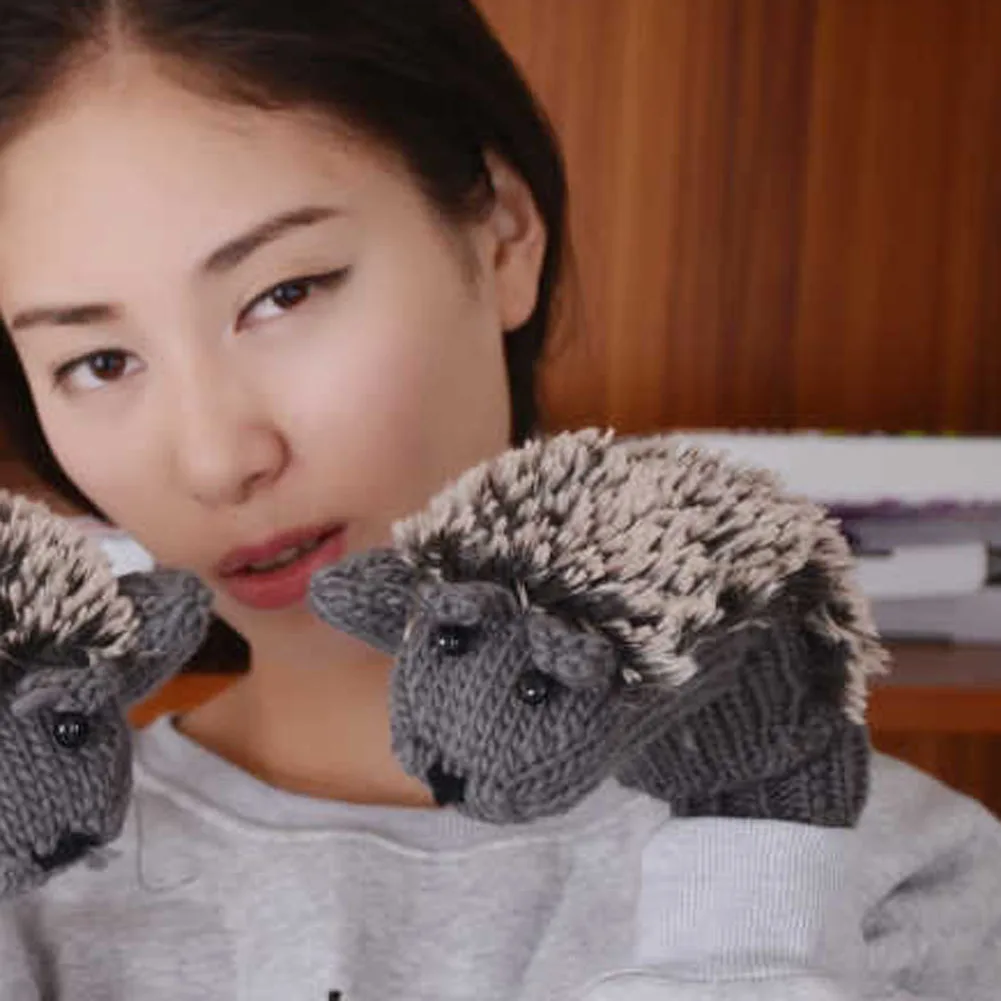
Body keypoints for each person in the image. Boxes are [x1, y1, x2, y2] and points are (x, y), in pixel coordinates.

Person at [0, 1, 998, 998]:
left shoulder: (888, 884)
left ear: (503, 237)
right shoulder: (36, 889)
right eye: (98, 361)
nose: (219, 458)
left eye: (284, 294)